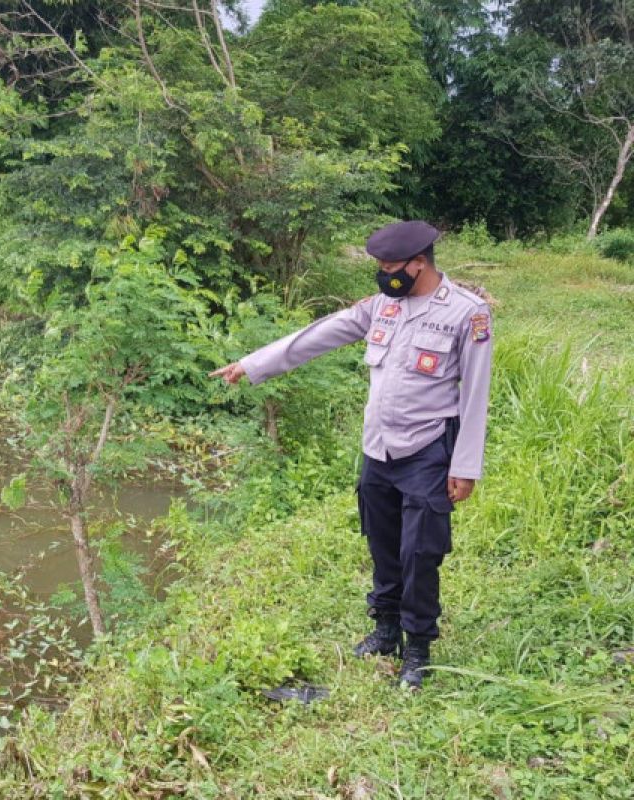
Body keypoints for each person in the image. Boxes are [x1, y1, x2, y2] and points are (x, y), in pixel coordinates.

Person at [208, 220, 493, 690]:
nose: (383, 276)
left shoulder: (467, 313)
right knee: (382, 543)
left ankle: (417, 648)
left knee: (420, 552)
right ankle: (386, 629)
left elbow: (476, 393)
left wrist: (465, 466)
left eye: (390, 268)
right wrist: (252, 363)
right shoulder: (382, 306)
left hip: (427, 450)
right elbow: (320, 334)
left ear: (419, 263)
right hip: (378, 448)